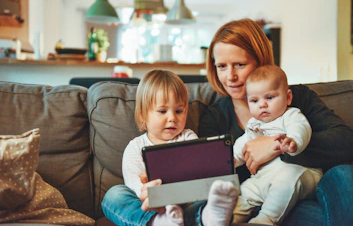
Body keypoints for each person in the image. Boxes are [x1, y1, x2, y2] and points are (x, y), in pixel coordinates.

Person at [200, 18, 353, 225]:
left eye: (239, 64)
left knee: (344, 174)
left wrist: (277, 145)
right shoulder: (214, 117)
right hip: (256, 202)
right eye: (222, 66)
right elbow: (211, 174)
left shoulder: (298, 98)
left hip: (306, 191)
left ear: (260, 61)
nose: (230, 76)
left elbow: (346, 141)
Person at [102, 69, 238, 226]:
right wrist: (150, 193)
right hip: (151, 206)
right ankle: (158, 222)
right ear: (143, 114)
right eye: (162, 111)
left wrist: (218, 165)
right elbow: (135, 186)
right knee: (113, 195)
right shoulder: (135, 147)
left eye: (179, 111)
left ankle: (210, 217)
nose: (172, 118)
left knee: (208, 196)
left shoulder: (188, 137)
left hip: (185, 202)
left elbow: (199, 171)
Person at [231, 65, 322, 224]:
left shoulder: (290, 115)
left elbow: (300, 128)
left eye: (269, 98)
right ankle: (229, 218)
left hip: (298, 174)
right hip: (262, 179)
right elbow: (243, 144)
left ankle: (265, 220)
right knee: (245, 191)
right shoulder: (253, 124)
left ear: (288, 97)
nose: (262, 105)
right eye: (254, 100)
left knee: (285, 180)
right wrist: (231, 160)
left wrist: (293, 142)